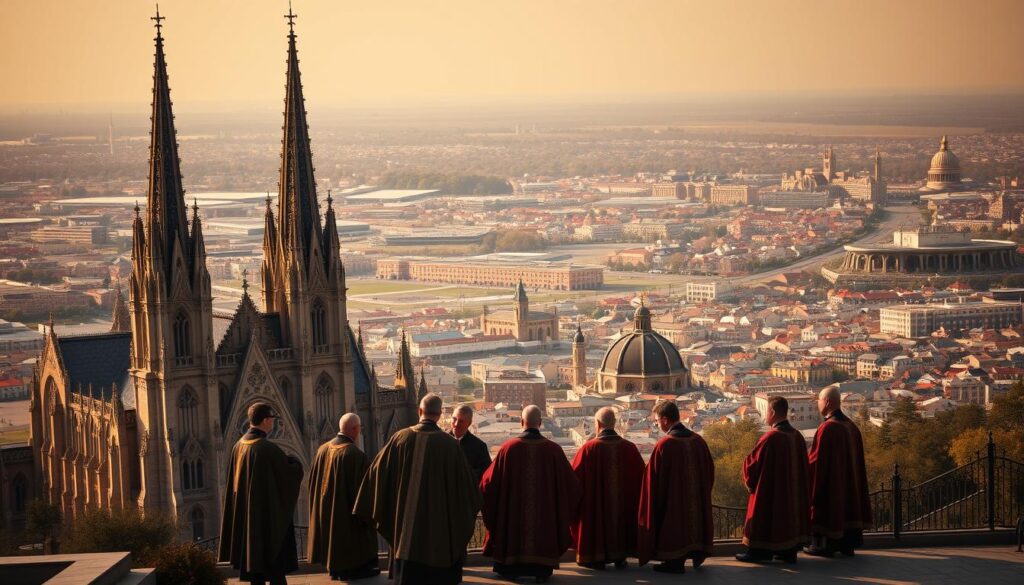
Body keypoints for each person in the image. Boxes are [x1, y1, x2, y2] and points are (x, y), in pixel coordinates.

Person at [353, 393, 481, 585]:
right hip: (440, 538)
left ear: (419, 411)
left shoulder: (400, 438)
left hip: (406, 535)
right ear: (439, 415)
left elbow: (375, 476)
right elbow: (467, 489)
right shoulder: (450, 445)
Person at [480, 405, 581, 583]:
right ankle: (541, 569)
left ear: (521, 422)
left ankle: (511, 568)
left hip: (514, 522)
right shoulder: (553, 450)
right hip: (545, 522)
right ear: (540, 423)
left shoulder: (508, 449)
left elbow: (488, 484)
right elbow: (572, 486)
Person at [219, 403, 304, 585]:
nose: (273, 423)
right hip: (267, 522)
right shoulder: (266, 448)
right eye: (272, 419)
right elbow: (291, 473)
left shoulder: (238, 446)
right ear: (265, 420)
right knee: (275, 573)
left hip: (248, 522)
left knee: (255, 575)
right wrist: (295, 461)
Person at [637, 400, 715, 574]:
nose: (657, 424)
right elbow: (710, 470)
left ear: (665, 420)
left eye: (657, 421)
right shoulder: (698, 441)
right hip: (696, 499)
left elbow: (652, 479)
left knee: (675, 524)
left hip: (674, 501)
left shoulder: (665, 444)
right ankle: (695, 552)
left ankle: (674, 562)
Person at [736, 396, 811, 564]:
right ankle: (787, 552)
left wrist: (746, 464)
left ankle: (758, 552)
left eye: (767, 411)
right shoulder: (797, 436)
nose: (765, 415)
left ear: (772, 412)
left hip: (772, 491)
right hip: (792, 493)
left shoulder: (770, 437)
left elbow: (753, 464)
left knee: (766, 515)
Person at [307, 413, 380, 580]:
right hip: (347, 518)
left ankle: (335, 569)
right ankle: (353, 569)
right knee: (353, 538)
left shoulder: (322, 450)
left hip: (326, 515)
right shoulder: (355, 455)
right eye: (359, 428)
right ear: (354, 430)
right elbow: (366, 493)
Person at [571, 407, 645, 570]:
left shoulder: (588, 449)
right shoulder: (630, 448)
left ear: (597, 424)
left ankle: (596, 557)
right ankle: (620, 556)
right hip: (624, 507)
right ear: (615, 424)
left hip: (595, 510)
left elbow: (573, 482)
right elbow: (642, 480)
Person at [805, 386, 872, 558]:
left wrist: (801, 465)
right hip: (850, 485)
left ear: (827, 402)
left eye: (819, 400)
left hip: (832, 485)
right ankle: (846, 545)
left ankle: (826, 545)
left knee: (830, 508)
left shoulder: (827, 428)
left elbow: (816, 460)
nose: (818, 404)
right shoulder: (852, 426)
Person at [450, 404, 492, 485]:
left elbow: (486, 473)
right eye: (454, 419)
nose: (456, 424)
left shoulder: (479, 447)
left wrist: (462, 475)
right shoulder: (442, 441)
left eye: (461, 421)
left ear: (469, 423)